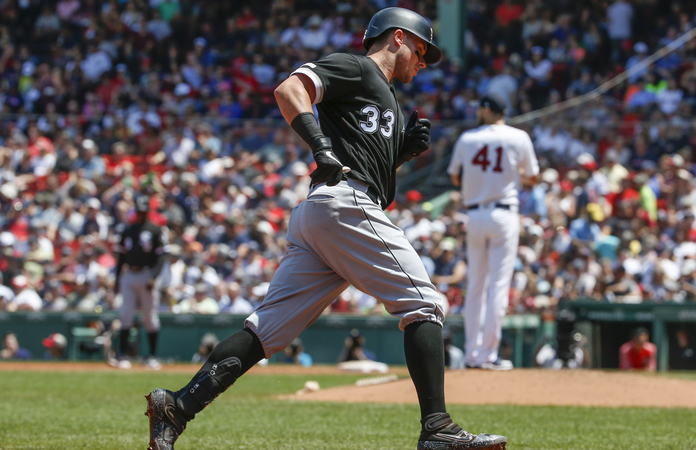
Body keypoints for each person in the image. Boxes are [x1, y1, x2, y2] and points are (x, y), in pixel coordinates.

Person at [144, 8, 507, 450]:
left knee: (265, 332)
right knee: (425, 302)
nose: (423, 60)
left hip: (328, 212)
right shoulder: (357, 66)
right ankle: (437, 428)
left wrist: (401, 155)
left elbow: (366, 160)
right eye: (421, 48)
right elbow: (289, 89)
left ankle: (176, 408)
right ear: (397, 38)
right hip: (343, 202)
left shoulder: (388, 97)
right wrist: (320, 146)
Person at [447, 95, 539, 370]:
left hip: (474, 214)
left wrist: (478, 182)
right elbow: (532, 177)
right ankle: (488, 354)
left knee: (475, 286)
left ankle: (472, 354)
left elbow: (454, 176)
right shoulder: (518, 136)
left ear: (487, 111)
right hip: (503, 212)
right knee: (498, 285)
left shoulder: (468, 138)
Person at [114, 196, 168, 371]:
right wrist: (116, 280)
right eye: (139, 211)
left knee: (149, 317)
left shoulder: (155, 230)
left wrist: (154, 276)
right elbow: (121, 257)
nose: (141, 214)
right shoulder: (128, 230)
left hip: (146, 274)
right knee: (126, 315)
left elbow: (162, 257)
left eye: (144, 211)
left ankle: (152, 357)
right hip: (129, 273)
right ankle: (122, 356)